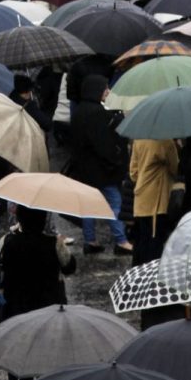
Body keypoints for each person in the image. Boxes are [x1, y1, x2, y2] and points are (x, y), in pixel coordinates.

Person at [68, 77, 130, 255]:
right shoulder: (97, 113)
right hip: (102, 170)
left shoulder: (79, 111)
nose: (108, 92)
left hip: (84, 169)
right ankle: (121, 240)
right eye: (105, 89)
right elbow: (104, 144)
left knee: (88, 205)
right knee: (115, 203)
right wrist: (116, 162)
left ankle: (90, 240)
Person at [0, 207, 75, 317]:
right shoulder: (54, 243)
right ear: (43, 221)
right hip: (49, 306)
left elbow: (0, 265)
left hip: (16, 307)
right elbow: (69, 267)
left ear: (19, 219)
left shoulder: (6, 241)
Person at [128, 135, 179, 263]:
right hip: (158, 199)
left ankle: (138, 274)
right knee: (155, 240)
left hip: (141, 197)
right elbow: (175, 167)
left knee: (142, 239)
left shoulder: (138, 140)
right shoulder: (166, 141)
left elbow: (133, 173)